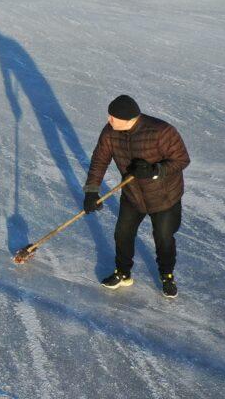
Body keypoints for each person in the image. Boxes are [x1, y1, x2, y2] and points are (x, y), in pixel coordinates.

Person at [83, 95, 190, 298]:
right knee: (122, 234)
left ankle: (167, 275)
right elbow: (99, 161)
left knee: (164, 238)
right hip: (133, 196)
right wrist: (91, 190)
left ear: (128, 119)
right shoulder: (110, 133)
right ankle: (123, 273)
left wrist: (154, 170)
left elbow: (182, 159)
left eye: (113, 117)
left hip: (165, 197)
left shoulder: (161, 131)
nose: (109, 120)